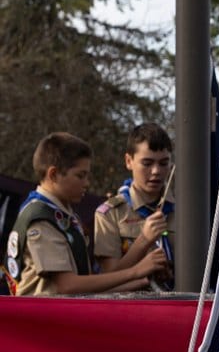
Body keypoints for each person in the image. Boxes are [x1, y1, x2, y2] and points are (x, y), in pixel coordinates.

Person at [6, 133, 166, 296]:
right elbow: (67, 286)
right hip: (41, 318)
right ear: (53, 174)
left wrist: (142, 281)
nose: (87, 183)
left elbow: (85, 286)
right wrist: (136, 271)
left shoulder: (64, 215)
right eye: (80, 176)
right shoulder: (42, 219)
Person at [93, 123, 177, 290]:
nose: (156, 171)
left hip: (183, 305)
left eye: (163, 163)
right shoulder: (110, 214)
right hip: (130, 308)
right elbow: (107, 281)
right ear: (129, 161)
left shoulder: (184, 212)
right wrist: (143, 241)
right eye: (147, 163)